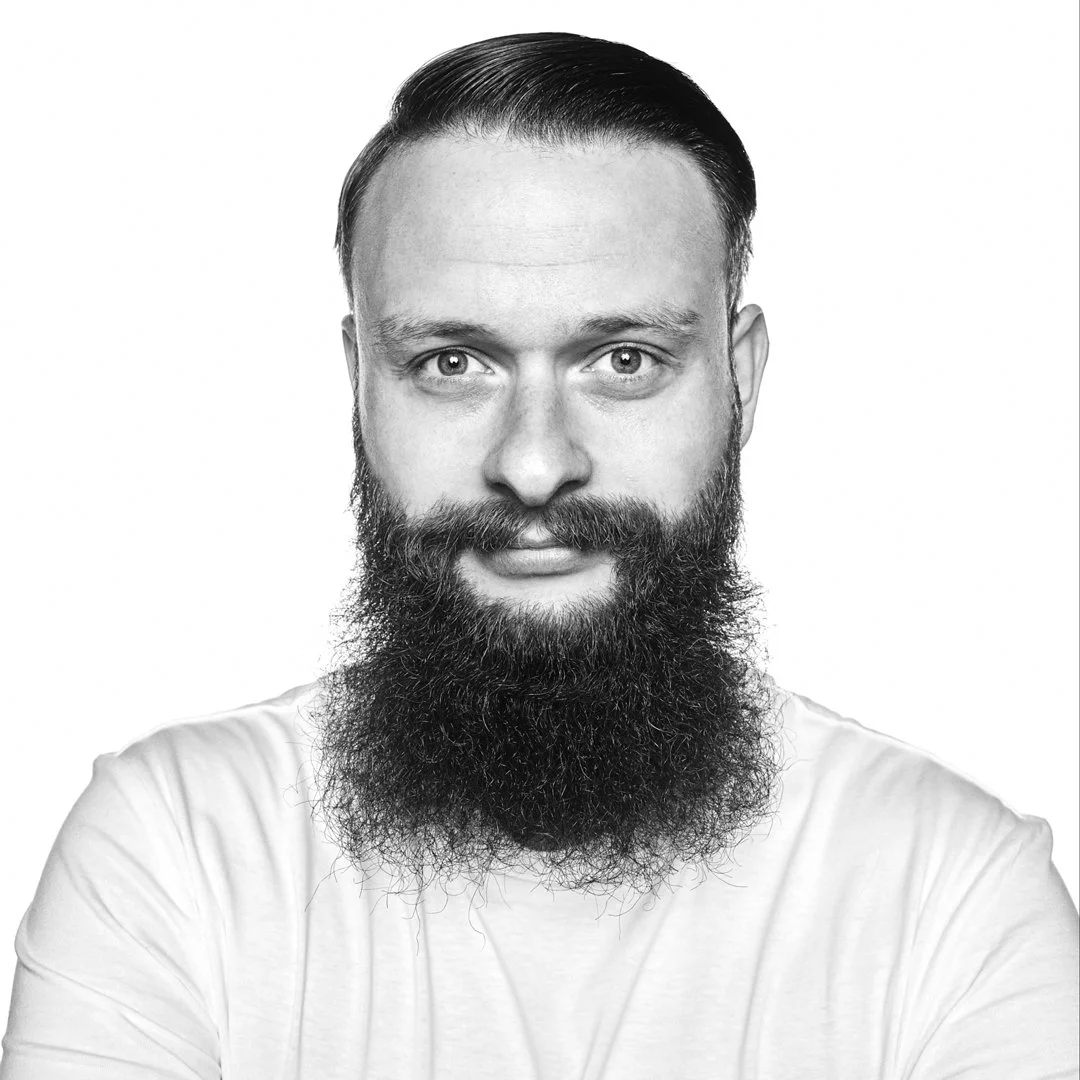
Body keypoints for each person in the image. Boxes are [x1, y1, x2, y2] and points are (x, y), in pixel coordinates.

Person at [1, 30, 1076, 1079]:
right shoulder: (176, 847)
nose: (532, 465)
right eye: (452, 361)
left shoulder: (952, 890)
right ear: (360, 384)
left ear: (741, 381)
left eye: (623, 359)